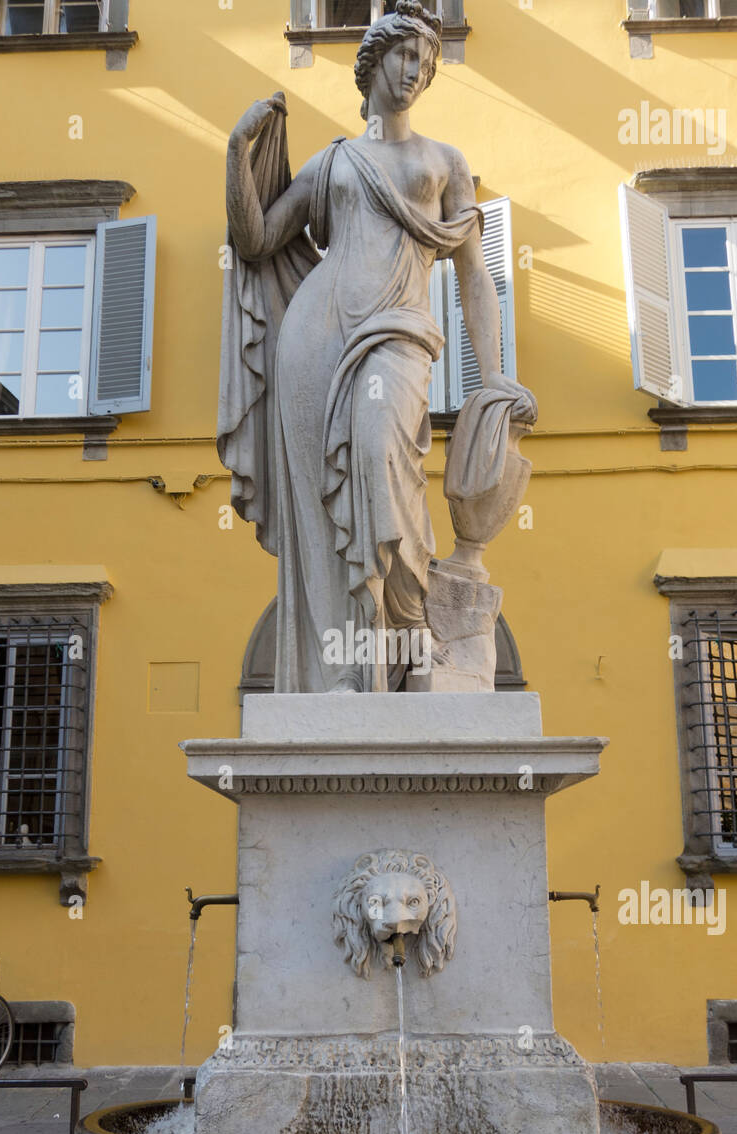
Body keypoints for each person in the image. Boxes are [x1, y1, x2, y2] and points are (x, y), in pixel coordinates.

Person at [219, 0, 536, 692]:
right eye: (402, 55)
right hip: (313, 336)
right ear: (370, 62)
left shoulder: (442, 161)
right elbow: (255, 243)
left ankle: (409, 658)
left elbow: (474, 272)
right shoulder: (332, 162)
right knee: (323, 507)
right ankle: (342, 673)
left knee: (377, 466)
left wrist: (492, 377)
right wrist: (236, 153)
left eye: (424, 61)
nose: (413, 71)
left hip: (396, 333)